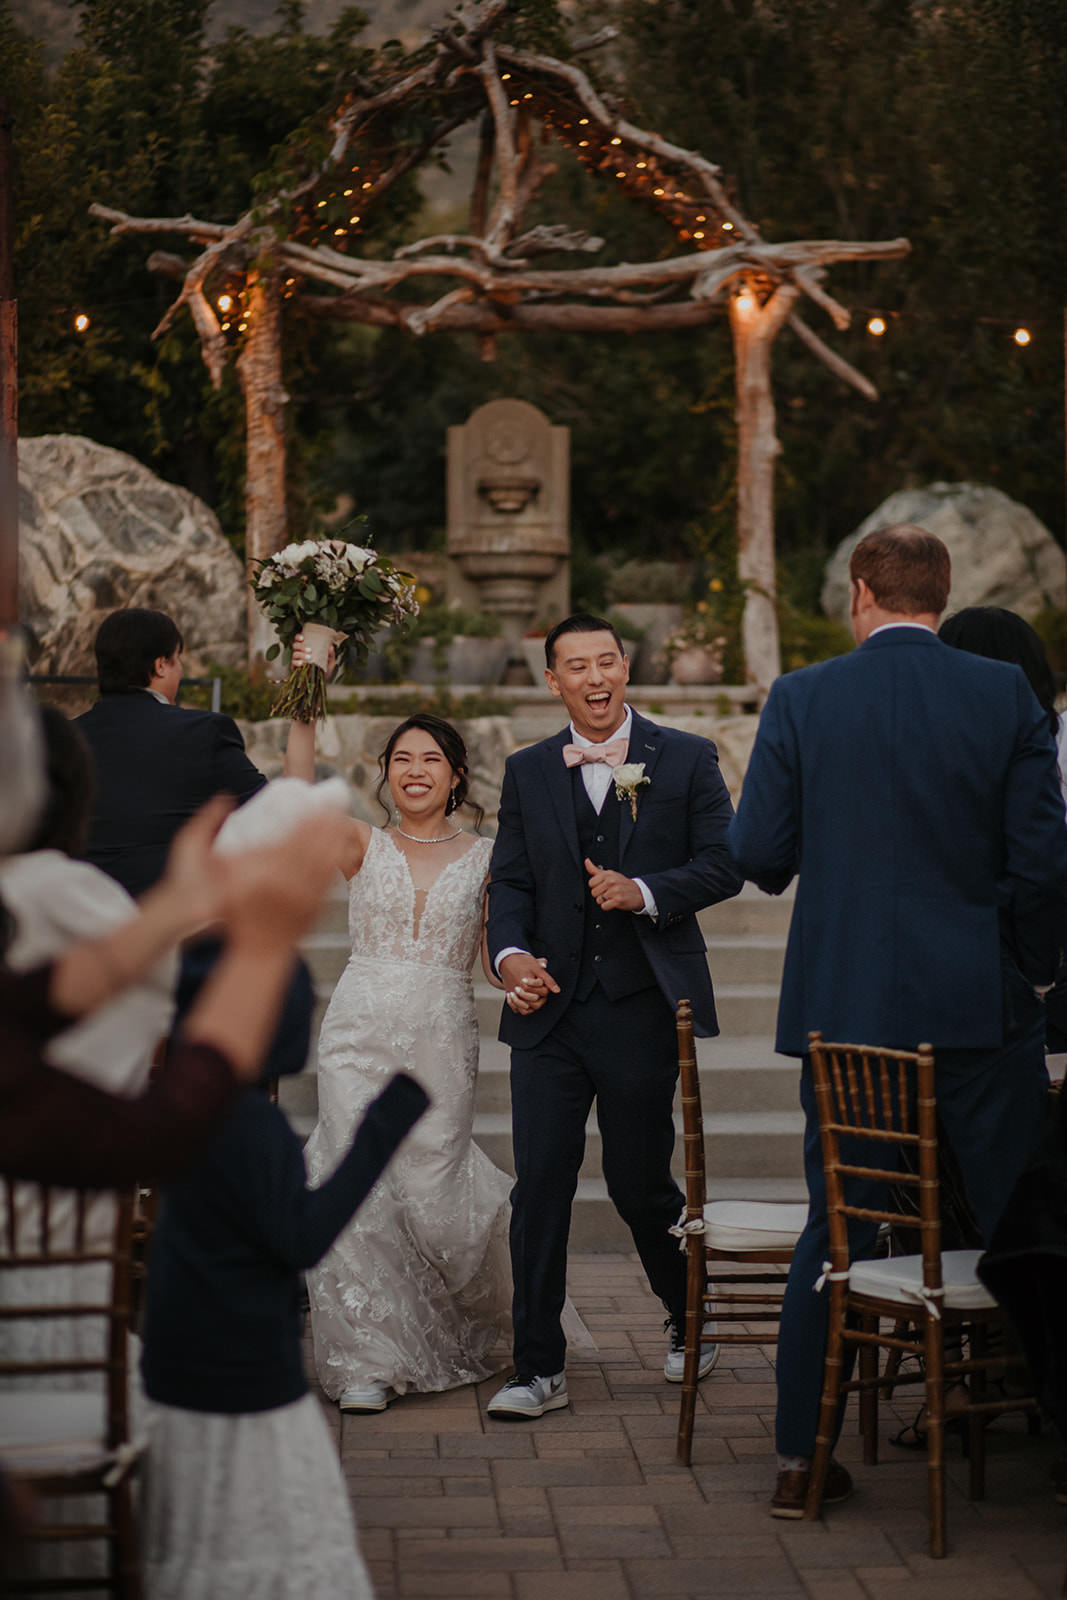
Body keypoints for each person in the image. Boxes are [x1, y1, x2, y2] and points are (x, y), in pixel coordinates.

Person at [727, 523, 1067, 1519]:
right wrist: (1023, 976)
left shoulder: (798, 696)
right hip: (975, 1013)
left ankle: (798, 1460)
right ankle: (1045, 1436)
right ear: (939, 593)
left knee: (833, 1229)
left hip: (842, 1015)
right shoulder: (999, 693)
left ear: (860, 593)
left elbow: (757, 851)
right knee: (1024, 1223)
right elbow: (1043, 864)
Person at [484, 613, 743, 1420]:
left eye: (606, 662)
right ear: (552, 680)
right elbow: (513, 881)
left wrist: (646, 892)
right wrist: (510, 958)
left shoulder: (689, 756)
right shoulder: (527, 769)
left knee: (638, 1184)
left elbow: (727, 862)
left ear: (625, 668)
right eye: (575, 667)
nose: (593, 679)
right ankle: (536, 1367)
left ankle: (687, 1320)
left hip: (639, 1008)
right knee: (541, 1188)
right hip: (550, 1014)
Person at [286, 706, 513, 1413]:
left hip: (442, 1033)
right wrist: (304, 708)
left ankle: (474, 1316)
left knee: (434, 1190)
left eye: (431, 760)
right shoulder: (360, 842)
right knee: (351, 1174)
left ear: (456, 777)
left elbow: (493, 956)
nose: (415, 771)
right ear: (384, 773)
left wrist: (523, 974)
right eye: (402, 759)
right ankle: (365, 1360)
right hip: (357, 1031)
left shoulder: (486, 856)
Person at [140, 1046, 429, 1598]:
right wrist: (380, 1132)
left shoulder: (180, 1113)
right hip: (249, 1382)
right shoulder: (250, 1124)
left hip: (179, 1370)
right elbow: (302, 1238)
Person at [75, 608, 265, 899]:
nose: (181, 671)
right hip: (172, 927)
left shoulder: (66, 739)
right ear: (161, 665)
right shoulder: (204, 731)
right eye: (178, 660)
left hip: (82, 921)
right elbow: (272, 811)